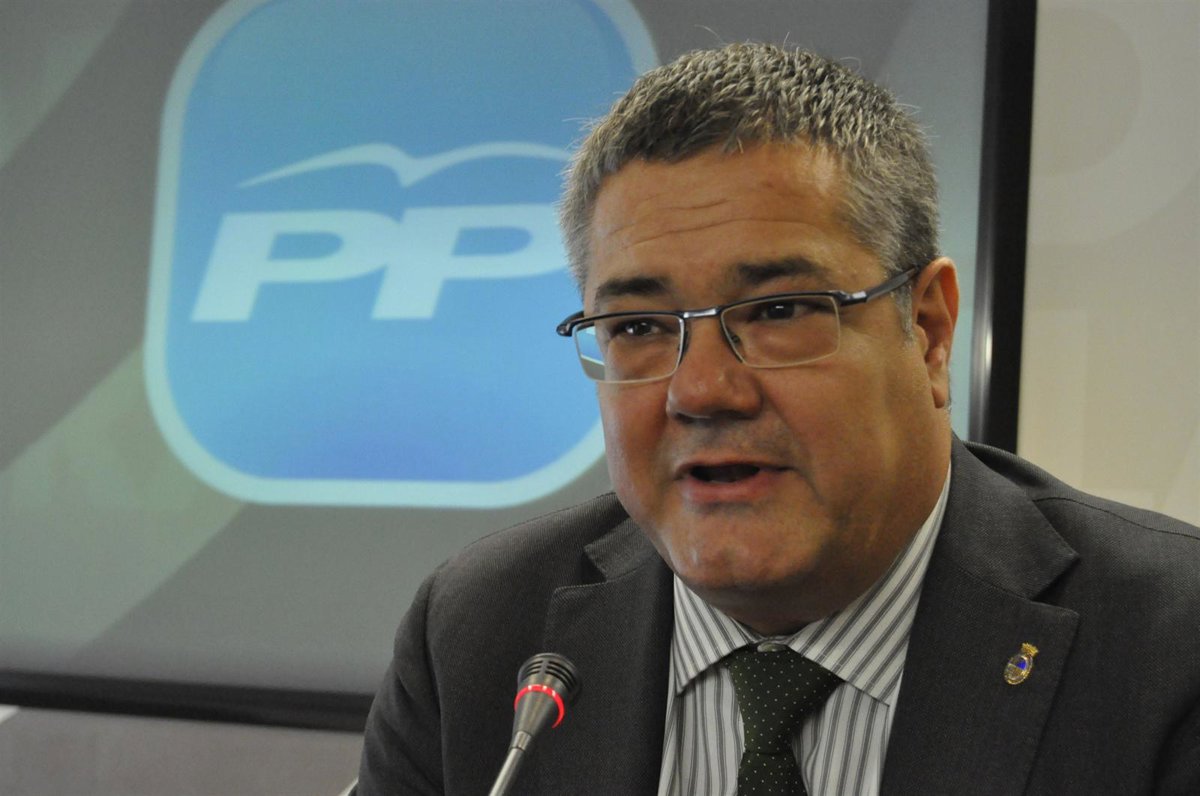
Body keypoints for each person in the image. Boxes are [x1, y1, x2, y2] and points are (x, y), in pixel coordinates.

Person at [353, 43, 1200, 795]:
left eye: (780, 310)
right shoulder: (482, 631)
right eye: (639, 327)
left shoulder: (1170, 648)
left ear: (929, 330)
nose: (701, 391)